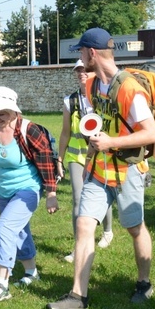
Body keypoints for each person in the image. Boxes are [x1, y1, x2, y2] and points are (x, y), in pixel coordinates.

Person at [47, 28, 155, 309]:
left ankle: (144, 283)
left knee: (135, 228)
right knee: (85, 225)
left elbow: (150, 133)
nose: (80, 58)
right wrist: (92, 154)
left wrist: (112, 143)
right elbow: (101, 124)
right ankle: (77, 295)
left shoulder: (131, 90)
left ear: (91, 53)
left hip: (128, 169)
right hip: (98, 168)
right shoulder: (93, 86)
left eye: (81, 52)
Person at [0, 86, 58, 302]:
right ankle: (31, 273)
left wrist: (51, 193)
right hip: (2, 191)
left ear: (15, 112)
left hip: (28, 189)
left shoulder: (30, 130)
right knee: (19, 232)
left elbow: (46, 163)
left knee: (6, 227)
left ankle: (1, 284)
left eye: (2, 113)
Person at [57, 59, 113, 263]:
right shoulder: (69, 101)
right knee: (78, 200)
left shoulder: (102, 98)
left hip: (100, 154)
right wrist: (59, 158)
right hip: (76, 156)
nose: (81, 73)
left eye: (85, 70)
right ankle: (78, 247)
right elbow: (65, 133)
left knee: (103, 195)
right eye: (78, 71)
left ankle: (107, 231)